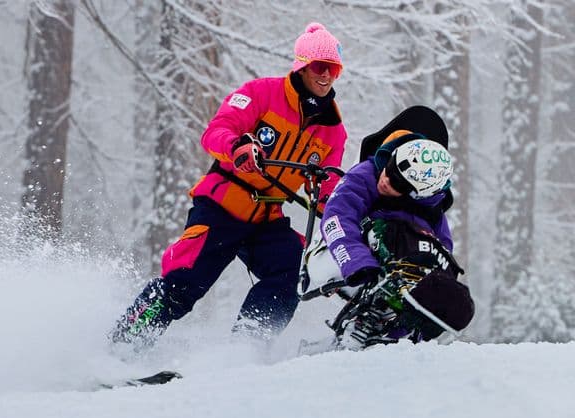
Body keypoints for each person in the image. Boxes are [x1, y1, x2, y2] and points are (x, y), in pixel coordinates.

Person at [109, 22, 348, 349]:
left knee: (294, 268)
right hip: (221, 206)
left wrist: (345, 214)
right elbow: (216, 131)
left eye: (334, 69)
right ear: (302, 66)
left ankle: (247, 348)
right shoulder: (261, 93)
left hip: (266, 219)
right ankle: (123, 346)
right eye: (321, 67)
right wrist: (238, 147)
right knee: (184, 283)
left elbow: (326, 189)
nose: (327, 76)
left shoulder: (334, 131)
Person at [307, 105, 474, 350]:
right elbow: (337, 218)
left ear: (417, 194)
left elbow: (442, 253)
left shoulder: (432, 214)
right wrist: (357, 261)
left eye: (397, 183)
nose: (385, 180)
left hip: (393, 275)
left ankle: (392, 335)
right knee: (387, 231)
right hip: (337, 255)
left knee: (429, 262)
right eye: (390, 169)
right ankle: (364, 325)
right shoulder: (366, 174)